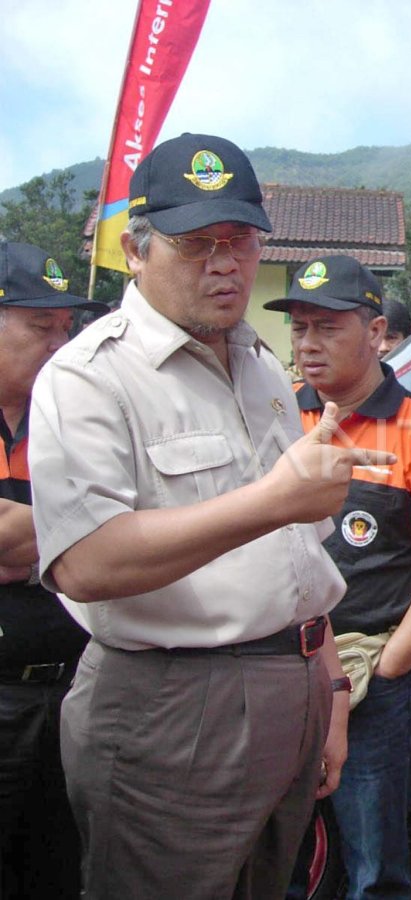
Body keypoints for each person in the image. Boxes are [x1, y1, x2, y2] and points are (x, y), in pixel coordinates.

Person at [27, 133, 394, 900]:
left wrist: (326, 696)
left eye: (242, 241)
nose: (225, 263)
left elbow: (301, 559)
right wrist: (272, 500)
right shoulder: (89, 376)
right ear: (135, 249)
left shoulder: (259, 361)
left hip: (291, 688)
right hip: (172, 707)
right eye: (196, 244)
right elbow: (86, 563)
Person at [267, 254, 411, 899]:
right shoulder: (278, 420)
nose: (308, 344)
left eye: (328, 327)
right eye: (300, 327)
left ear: (375, 331)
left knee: (373, 865)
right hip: (278, 668)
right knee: (275, 853)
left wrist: (386, 671)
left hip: (373, 682)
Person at [0, 241, 107, 899]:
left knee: (64, 871)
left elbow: (126, 514)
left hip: (76, 691)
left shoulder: (70, 417)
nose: (57, 345)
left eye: (65, 330)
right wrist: (77, 522)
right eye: (41, 328)